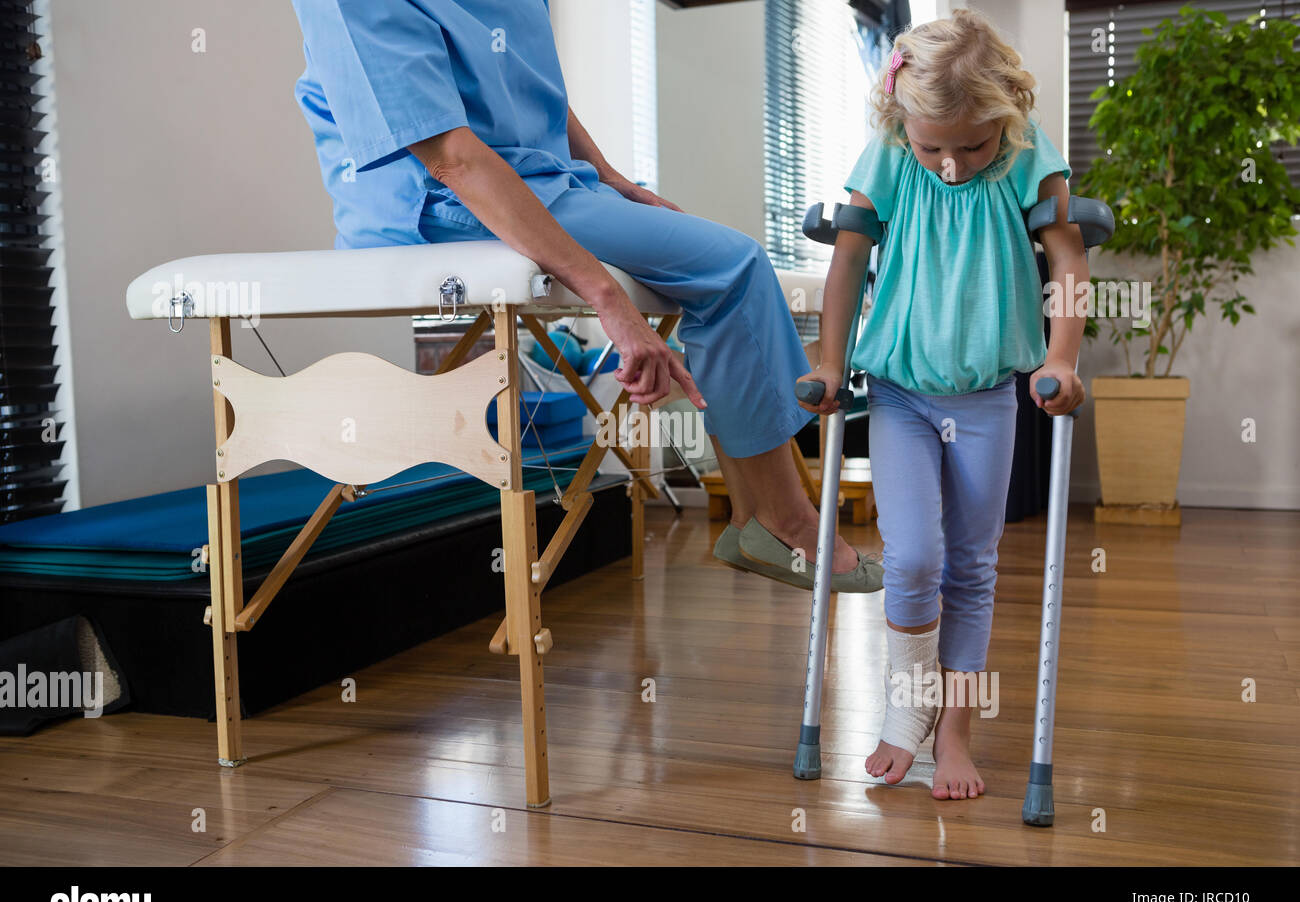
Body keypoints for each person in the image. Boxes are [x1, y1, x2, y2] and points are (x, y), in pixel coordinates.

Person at [289, 0, 882, 592]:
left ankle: (762, 520)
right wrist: (606, 296)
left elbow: (532, 85)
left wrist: (610, 178)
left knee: (725, 264)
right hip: (441, 201)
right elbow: (450, 157)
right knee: (733, 264)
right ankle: (787, 522)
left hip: (539, 178)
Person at [797, 8, 1088, 799]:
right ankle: (908, 708)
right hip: (898, 393)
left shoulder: (1028, 156)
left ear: (1005, 115)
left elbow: (1067, 256)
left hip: (990, 396)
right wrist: (829, 361)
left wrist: (1060, 355)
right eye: (934, 148)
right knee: (914, 558)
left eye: (972, 146)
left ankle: (953, 734)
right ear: (902, 120)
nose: (952, 165)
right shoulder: (892, 153)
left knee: (971, 568)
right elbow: (849, 259)